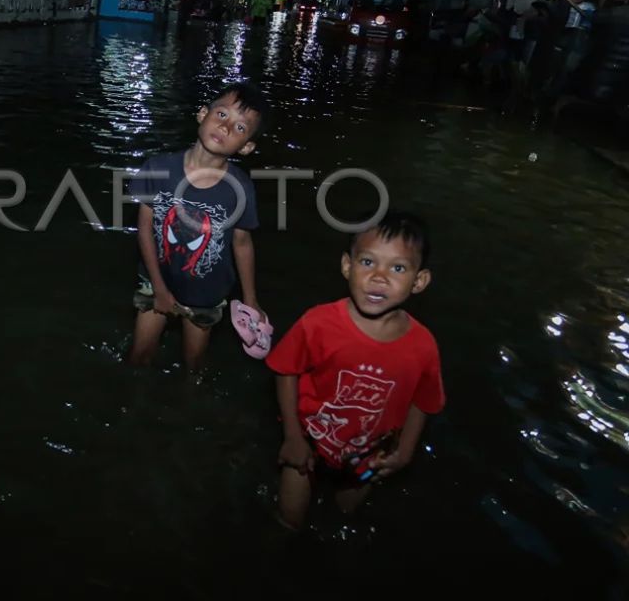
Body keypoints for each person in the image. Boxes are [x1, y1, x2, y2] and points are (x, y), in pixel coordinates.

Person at [265, 211, 445, 530]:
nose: (379, 277)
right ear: (347, 266)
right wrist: (292, 436)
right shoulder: (318, 323)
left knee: (345, 520)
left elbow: (424, 400)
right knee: (289, 520)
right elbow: (285, 370)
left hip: (368, 456)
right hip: (309, 442)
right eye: (367, 262)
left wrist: (404, 451)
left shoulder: (423, 346)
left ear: (419, 281)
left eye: (398, 268)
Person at [126, 82, 268, 372]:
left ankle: (189, 404)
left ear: (247, 147)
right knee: (138, 357)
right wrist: (160, 290)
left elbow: (242, 243)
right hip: (157, 280)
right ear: (202, 114)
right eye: (222, 114)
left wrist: (251, 300)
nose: (227, 128)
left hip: (207, 294)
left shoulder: (239, 188)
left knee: (194, 365)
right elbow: (144, 229)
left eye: (241, 128)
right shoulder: (158, 167)